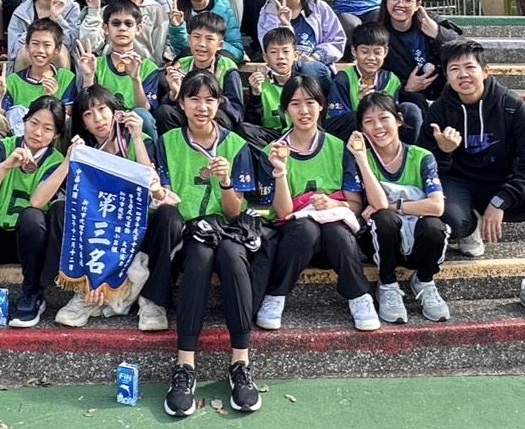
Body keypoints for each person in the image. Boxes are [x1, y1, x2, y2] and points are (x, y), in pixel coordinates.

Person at [422, 39, 525, 323]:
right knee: (448, 217)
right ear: (447, 76)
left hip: (503, 184)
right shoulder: (439, 110)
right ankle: (469, 227)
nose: (463, 75)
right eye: (454, 69)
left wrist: (502, 200)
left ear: (485, 71)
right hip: (460, 184)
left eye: (469, 67)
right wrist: (444, 152)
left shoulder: (510, 105)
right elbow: (425, 167)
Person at [151, 70, 265, 417]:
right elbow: (163, 195)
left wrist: (227, 182)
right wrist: (161, 195)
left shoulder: (236, 145)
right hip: (190, 231)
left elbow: (234, 212)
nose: (202, 107)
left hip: (227, 231)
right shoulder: (167, 142)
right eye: (194, 99)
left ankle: (240, 364)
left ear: (219, 103)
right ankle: (185, 366)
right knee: (199, 260)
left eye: (209, 100)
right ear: (182, 102)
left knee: (232, 258)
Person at [255, 74, 380, 333]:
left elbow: (356, 205)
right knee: (307, 229)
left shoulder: (338, 147)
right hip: (293, 240)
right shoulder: (272, 152)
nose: (304, 111)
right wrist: (280, 171)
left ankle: (359, 297)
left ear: (322, 105)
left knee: (336, 231)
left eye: (310, 102)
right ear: (285, 109)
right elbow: (282, 213)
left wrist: (333, 205)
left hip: (333, 239)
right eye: (295, 104)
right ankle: (275, 295)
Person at [51, 83, 158, 328]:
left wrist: (137, 137)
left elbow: (152, 184)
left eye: (102, 109)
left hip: (134, 225)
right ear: (83, 123)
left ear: (114, 110)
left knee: (166, 217)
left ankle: (150, 300)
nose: (98, 119)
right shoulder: (86, 151)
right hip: (99, 229)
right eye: (88, 114)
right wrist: (72, 156)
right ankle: (85, 290)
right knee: (63, 211)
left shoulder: (140, 141)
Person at [0, 96, 67, 328]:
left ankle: (32, 294)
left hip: (30, 243)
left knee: (32, 216)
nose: (38, 132)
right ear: (24, 121)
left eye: (48, 129)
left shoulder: (55, 161)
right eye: (33, 123)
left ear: (56, 135)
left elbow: (37, 202)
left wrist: (67, 162)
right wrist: (5, 166)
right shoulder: (3, 147)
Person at [347, 92, 449, 324]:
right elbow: (378, 205)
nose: (377, 127)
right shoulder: (359, 159)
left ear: (399, 120)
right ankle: (387, 284)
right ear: (361, 129)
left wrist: (395, 206)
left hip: (418, 238)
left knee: (433, 226)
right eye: (368, 121)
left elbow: (437, 206)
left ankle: (424, 281)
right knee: (383, 218)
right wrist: (362, 158)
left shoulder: (422, 157)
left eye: (384, 118)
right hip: (380, 241)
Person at [73, 0, 161, 137]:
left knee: (142, 114)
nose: (122, 28)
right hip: (103, 124)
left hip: (135, 126)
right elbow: (87, 106)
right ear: (106, 28)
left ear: (138, 29)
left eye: (128, 24)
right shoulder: (96, 64)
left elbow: (144, 109)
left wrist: (135, 79)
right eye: (116, 23)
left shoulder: (149, 68)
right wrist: (88, 76)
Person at [326, 20, 424, 144]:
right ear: (354, 51)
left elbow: (392, 113)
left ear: (385, 52)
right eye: (364, 52)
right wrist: (363, 104)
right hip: (350, 134)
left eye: (377, 52)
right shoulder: (343, 79)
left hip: (381, 129)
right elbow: (339, 119)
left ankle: (407, 151)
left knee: (410, 109)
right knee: (354, 117)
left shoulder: (391, 79)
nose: (371, 58)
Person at [256, 0, 345, 92]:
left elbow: (337, 40)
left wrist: (315, 57)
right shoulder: (269, 11)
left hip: (316, 66)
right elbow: (269, 46)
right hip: (284, 66)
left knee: (309, 68)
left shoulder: (319, 8)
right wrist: (284, 25)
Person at [378, 0, 462, 113]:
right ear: (386, 2)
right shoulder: (378, 33)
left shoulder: (431, 21)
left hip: (441, 88)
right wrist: (405, 88)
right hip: (406, 97)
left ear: (418, 5)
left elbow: (467, 51)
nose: (400, 4)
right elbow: (375, 73)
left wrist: (438, 33)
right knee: (414, 101)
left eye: (408, 0)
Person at [155, 11, 245, 134]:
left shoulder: (227, 68)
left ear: (220, 45)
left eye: (209, 39)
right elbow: (166, 105)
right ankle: (176, 145)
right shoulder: (181, 65)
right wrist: (175, 93)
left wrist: (213, 99)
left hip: (214, 120)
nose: (201, 44)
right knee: (163, 112)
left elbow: (237, 113)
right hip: (186, 118)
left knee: (217, 115)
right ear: (189, 39)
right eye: (196, 37)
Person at [0, 17, 77, 134]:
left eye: (47, 45)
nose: (40, 50)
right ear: (27, 47)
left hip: (50, 137)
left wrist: (50, 99)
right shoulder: (13, 80)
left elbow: (68, 115)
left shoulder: (66, 77)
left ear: (57, 49)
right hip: (17, 136)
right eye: (35, 44)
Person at [6, 0, 80, 70]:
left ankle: (62, 83)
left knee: (59, 51)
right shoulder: (22, 11)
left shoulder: (72, 8)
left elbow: (71, 45)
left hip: (61, 67)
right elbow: (13, 51)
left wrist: (57, 18)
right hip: (28, 67)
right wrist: (35, 34)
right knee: (25, 52)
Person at [165, 0, 245, 63]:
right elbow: (181, 51)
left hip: (220, 59)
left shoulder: (224, 8)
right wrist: (178, 28)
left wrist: (214, 44)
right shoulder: (179, 12)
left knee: (223, 56)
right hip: (192, 61)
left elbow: (237, 51)